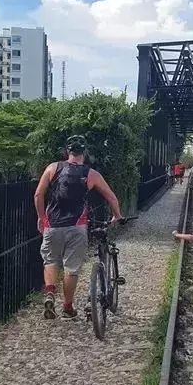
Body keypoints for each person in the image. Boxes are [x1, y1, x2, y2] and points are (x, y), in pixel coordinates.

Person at [34, 135, 123, 320]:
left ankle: (50, 293)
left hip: (52, 225)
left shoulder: (53, 168)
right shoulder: (91, 174)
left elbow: (38, 195)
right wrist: (117, 216)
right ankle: (67, 307)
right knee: (71, 268)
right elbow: (111, 197)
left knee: (50, 261)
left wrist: (42, 217)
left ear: (67, 152)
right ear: (84, 153)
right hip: (77, 226)